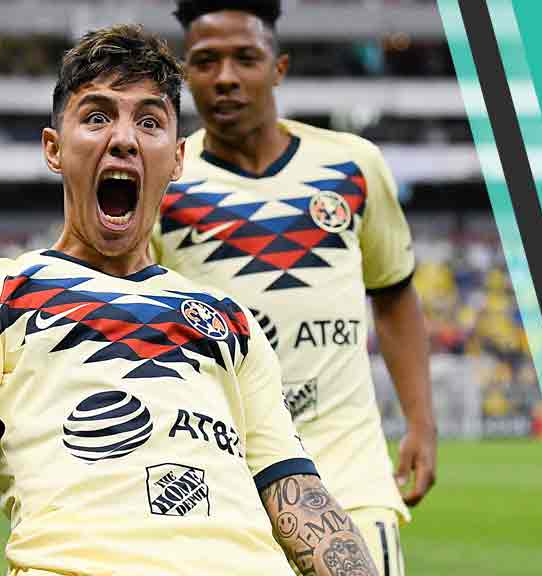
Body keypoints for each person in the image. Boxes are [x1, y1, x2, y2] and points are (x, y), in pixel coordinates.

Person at [0, 24, 378, 576]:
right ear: (54, 148)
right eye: (98, 116)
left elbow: (293, 489)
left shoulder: (229, 321)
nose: (125, 140)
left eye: (150, 121)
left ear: (178, 159)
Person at [151, 2, 436, 574]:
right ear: (186, 75)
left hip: (349, 473)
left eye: (245, 59)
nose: (226, 76)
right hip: (224, 480)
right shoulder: (165, 183)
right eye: (206, 61)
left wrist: (421, 421)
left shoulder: (352, 166)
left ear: (277, 68)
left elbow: (394, 293)